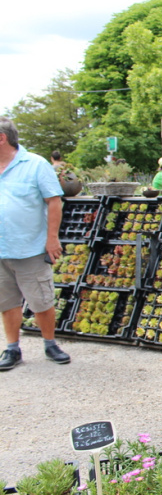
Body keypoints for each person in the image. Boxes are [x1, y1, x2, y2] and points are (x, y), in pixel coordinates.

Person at [0, 117, 71, 371]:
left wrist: (52, 239)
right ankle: (12, 348)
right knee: (6, 302)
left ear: (2, 138)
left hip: (29, 247)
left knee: (41, 300)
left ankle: (50, 343)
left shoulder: (35, 164)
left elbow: (54, 201)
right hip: (1, 250)